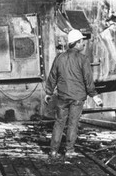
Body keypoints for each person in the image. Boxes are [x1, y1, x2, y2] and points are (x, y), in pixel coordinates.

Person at [44, 29, 102, 158]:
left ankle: (53, 150)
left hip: (62, 97)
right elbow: (88, 79)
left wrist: (48, 92)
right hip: (77, 97)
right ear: (76, 43)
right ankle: (69, 150)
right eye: (82, 42)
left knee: (59, 122)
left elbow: (52, 76)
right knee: (73, 123)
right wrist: (94, 95)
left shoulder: (59, 58)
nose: (83, 44)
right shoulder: (83, 59)